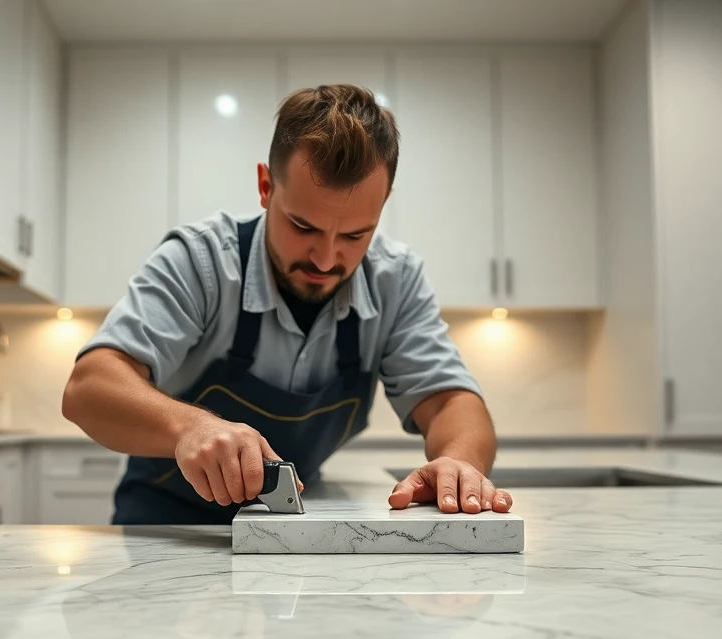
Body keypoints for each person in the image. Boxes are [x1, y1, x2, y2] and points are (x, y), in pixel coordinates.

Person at [62, 84, 514, 525]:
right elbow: (89, 388)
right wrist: (190, 428)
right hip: (167, 532)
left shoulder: (395, 280)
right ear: (265, 187)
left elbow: (451, 402)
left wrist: (458, 463)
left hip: (290, 530)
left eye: (356, 235)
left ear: (384, 204)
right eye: (303, 226)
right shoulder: (201, 261)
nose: (325, 258)